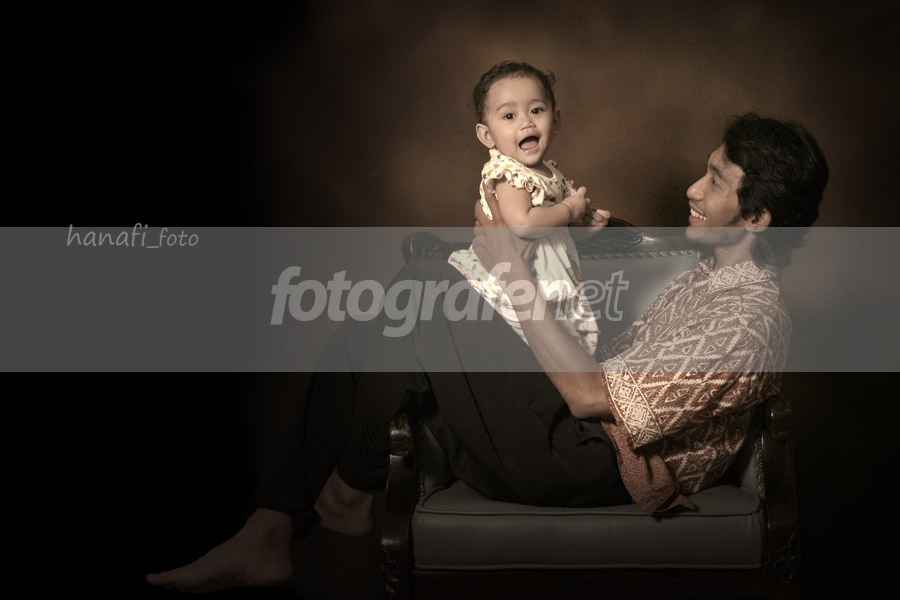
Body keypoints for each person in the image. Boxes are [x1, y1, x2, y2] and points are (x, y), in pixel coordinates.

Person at [146, 112, 828, 594]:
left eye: (715, 180)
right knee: (393, 318)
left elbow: (592, 397)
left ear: (757, 218)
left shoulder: (749, 314)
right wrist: (580, 229)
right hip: (576, 436)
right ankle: (276, 526)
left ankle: (341, 490)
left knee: (424, 287)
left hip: (596, 462)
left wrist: (511, 273)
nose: (692, 189)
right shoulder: (709, 277)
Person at [448, 61, 611, 356]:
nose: (526, 122)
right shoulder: (509, 176)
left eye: (536, 110)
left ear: (555, 120)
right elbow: (523, 224)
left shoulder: (546, 172)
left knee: (556, 341)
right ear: (487, 135)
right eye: (509, 116)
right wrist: (569, 210)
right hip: (511, 282)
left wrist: (581, 227)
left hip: (539, 275)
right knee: (538, 343)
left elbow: (548, 232)